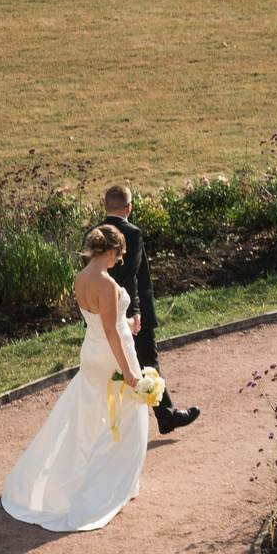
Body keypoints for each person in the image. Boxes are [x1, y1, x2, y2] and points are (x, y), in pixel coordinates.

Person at [1, 224, 157, 530]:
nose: (119, 261)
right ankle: (115, 484)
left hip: (91, 354)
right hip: (113, 356)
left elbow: (101, 321)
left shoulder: (81, 277)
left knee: (91, 415)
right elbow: (111, 330)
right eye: (119, 255)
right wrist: (128, 372)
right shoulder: (107, 284)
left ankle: (90, 477)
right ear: (111, 251)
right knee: (127, 416)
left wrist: (127, 323)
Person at [100, 185, 197, 435]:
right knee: (147, 362)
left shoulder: (94, 232)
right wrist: (134, 311)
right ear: (129, 208)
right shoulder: (131, 232)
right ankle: (165, 417)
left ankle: (155, 418)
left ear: (104, 206)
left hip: (100, 310)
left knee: (109, 367)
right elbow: (131, 273)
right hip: (129, 308)